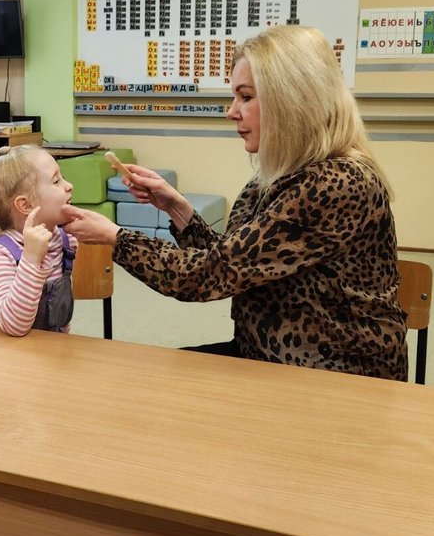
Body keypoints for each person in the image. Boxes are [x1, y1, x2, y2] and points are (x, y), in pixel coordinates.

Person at [62, 25, 408, 381]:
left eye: (246, 97)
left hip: (337, 377)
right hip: (270, 357)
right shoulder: (274, 177)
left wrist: (115, 237)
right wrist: (177, 208)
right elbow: (235, 261)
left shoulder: (336, 183)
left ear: (291, 99)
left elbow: (207, 275)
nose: (231, 112)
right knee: (148, 381)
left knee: (155, 389)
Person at [0, 145, 77, 336]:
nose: (69, 185)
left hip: (49, 349)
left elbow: (58, 314)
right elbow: (15, 326)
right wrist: (31, 261)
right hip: (3, 353)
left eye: (63, 177)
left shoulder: (66, 242)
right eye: (56, 181)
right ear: (25, 205)